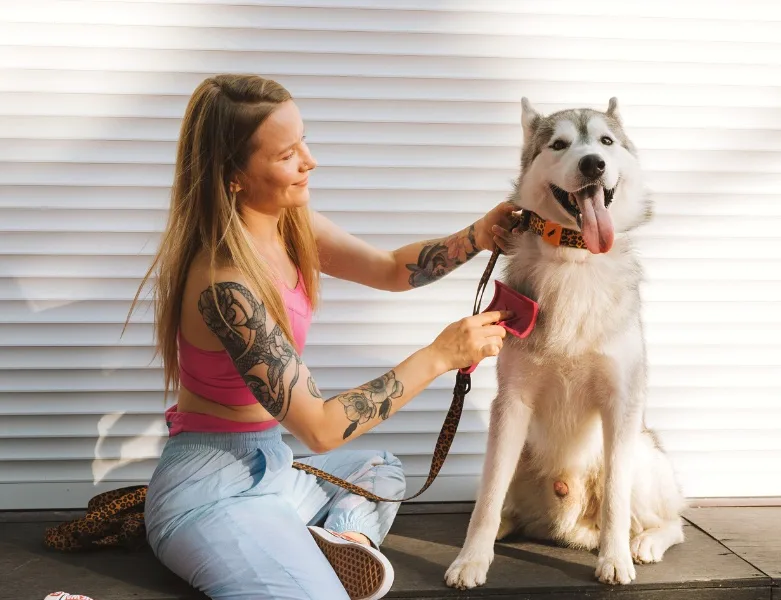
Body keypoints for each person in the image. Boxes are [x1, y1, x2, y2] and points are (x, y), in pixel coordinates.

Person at [127, 73, 521, 600]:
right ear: (234, 175)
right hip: (212, 492)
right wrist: (440, 355)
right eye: (288, 153)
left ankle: (341, 540)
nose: (310, 160)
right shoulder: (226, 284)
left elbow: (388, 269)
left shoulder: (290, 225)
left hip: (273, 466)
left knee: (381, 468)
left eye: (304, 140)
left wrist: (478, 234)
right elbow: (321, 430)